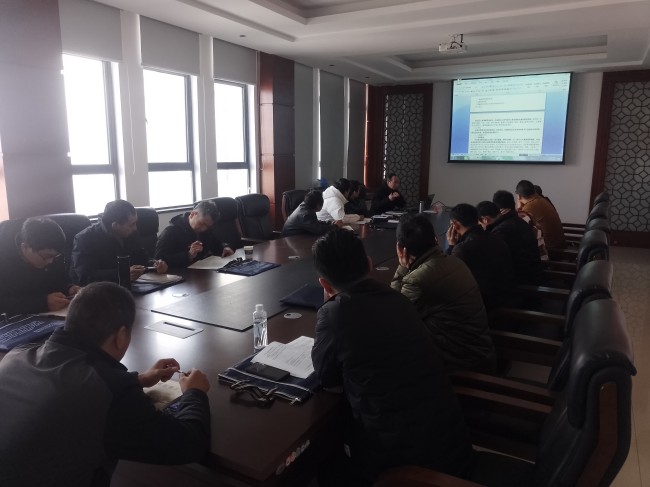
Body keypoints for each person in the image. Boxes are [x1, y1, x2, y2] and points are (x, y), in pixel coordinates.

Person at [0, 282, 211, 486]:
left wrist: (136, 379)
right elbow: (189, 444)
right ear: (121, 336)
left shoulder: (17, 354)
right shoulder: (111, 392)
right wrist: (195, 392)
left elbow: (70, 383)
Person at [312, 229, 474, 485]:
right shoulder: (399, 300)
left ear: (324, 284)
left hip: (407, 469)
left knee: (325, 454)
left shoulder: (335, 314)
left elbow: (326, 377)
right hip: (450, 442)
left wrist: (331, 305)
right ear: (369, 264)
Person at [392, 214, 495, 372]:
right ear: (436, 239)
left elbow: (394, 316)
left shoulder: (418, 280)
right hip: (479, 353)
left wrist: (402, 268)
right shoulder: (455, 261)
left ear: (400, 249)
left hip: (458, 366)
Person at [72, 200, 168, 285]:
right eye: (132, 224)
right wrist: (122, 273)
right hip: (99, 292)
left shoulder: (131, 234)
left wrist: (154, 264)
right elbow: (87, 276)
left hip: (131, 286)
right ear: (115, 225)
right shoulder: (85, 238)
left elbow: (141, 258)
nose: (135, 228)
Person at [0, 217, 80, 314]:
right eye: (46, 256)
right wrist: (43, 303)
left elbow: (57, 282)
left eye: (55, 256)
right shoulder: (3, 261)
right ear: (25, 247)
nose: (50, 261)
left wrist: (69, 288)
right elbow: (3, 303)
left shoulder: (52, 258)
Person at [446, 203, 516, 310]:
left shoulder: (462, 249)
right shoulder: (496, 237)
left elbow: (447, 277)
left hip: (483, 307)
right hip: (506, 299)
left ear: (455, 225)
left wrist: (451, 246)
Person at [477, 194, 543, 285]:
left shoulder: (499, 232)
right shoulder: (519, 220)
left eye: (479, 224)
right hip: (535, 273)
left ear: (485, 220)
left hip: (523, 282)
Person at [155, 201, 234, 267]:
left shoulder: (206, 229)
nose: (204, 229)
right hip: (181, 274)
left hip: (201, 272)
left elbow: (215, 243)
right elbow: (158, 259)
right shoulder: (171, 231)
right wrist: (188, 255)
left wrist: (224, 247)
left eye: (208, 226)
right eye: (202, 223)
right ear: (192, 214)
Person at [515, 179, 565, 248]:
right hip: (560, 243)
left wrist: (519, 208)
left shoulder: (528, 207)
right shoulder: (542, 199)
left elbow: (517, 225)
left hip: (550, 248)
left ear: (518, 196)